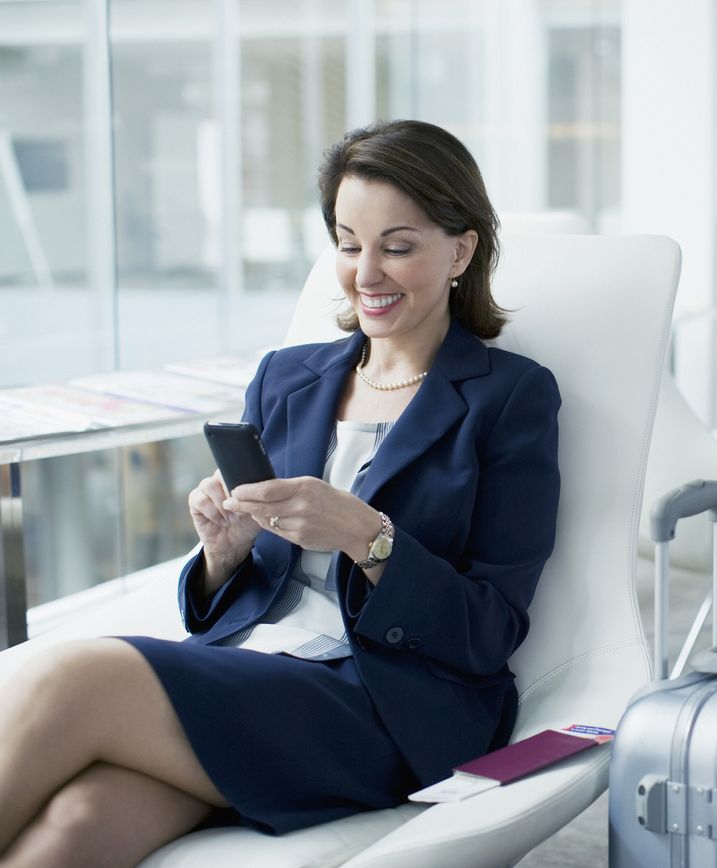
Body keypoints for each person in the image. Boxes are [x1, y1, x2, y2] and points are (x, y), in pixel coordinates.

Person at [0, 119, 561, 866]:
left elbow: (490, 631)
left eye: (398, 246)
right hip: (250, 677)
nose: (367, 272)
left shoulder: (510, 398)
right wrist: (222, 558)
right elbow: (238, 600)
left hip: (379, 708)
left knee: (72, 675)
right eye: (349, 243)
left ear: (460, 250)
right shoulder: (287, 376)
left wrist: (369, 537)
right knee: (81, 823)